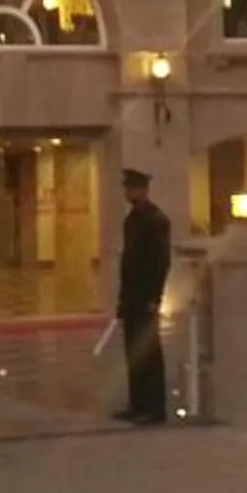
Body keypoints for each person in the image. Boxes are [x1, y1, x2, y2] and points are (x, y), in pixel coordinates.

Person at [114, 166, 172, 424]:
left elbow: (161, 262)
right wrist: (122, 299)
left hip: (146, 295)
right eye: (127, 188)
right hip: (131, 296)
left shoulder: (156, 220)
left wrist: (154, 298)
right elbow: (127, 262)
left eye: (133, 188)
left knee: (149, 352)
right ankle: (137, 403)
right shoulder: (132, 219)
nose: (129, 192)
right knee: (133, 352)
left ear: (144, 190)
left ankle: (155, 407)